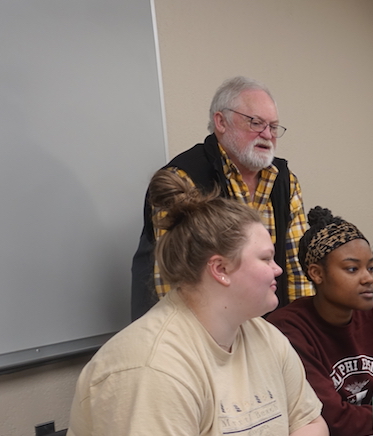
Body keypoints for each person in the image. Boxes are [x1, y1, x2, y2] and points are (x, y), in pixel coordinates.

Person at [54, 170, 373, 436]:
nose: (279, 270)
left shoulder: (260, 332)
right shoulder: (151, 363)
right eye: (265, 259)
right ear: (220, 269)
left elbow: (311, 422)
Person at [130, 76, 313, 319]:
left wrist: (299, 332)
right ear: (221, 121)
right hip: (203, 329)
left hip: (269, 327)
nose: (267, 134)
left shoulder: (285, 180)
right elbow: (173, 281)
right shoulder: (183, 178)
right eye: (256, 123)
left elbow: (297, 270)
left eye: (273, 126)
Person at [268, 207, 373, 436]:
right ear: (317, 274)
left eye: (371, 268)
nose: (368, 278)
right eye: (352, 269)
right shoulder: (289, 330)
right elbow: (335, 420)